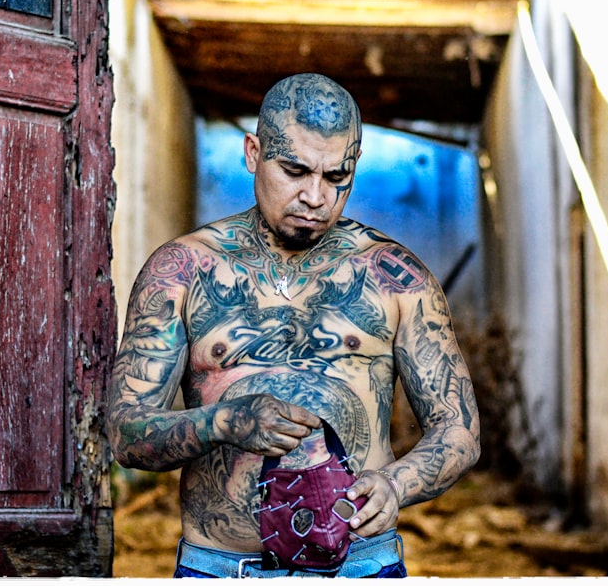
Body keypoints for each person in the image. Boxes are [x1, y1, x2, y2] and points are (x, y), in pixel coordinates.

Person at [106, 72, 481, 578]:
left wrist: (396, 485)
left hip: (361, 567)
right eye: (295, 170)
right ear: (252, 153)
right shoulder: (183, 272)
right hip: (220, 568)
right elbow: (126, 430)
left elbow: (458, 430)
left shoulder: (396, 277)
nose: (315, 197)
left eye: (336, 178)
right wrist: (226, 421)